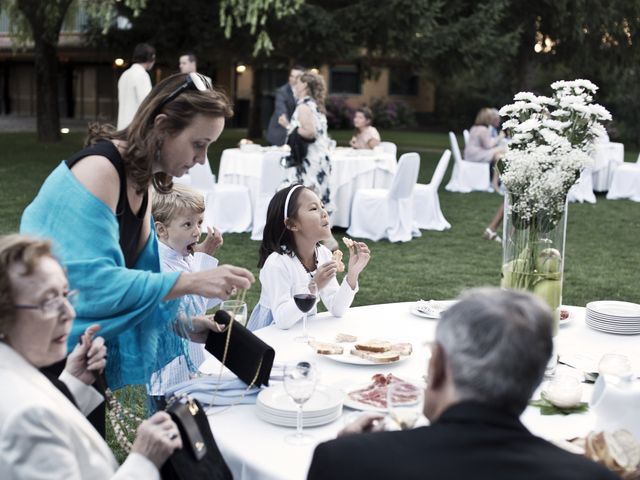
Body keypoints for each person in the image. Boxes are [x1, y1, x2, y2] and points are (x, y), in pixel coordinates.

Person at [21, 72, 255, 392]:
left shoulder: (138, 183)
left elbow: (139, 277)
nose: (201, 160)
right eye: (198, 145)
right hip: (43, 352)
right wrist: (193, 280)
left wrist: (182, 325)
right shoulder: (100, 171)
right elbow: (92, 284)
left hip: (85, 352)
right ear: (161, 128)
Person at [307, 288, 619, 480]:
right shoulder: (590, 477)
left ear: (439, 365)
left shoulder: (345, 462)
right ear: (535, 379)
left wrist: (350, 445)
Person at [0, 235, 182, 479]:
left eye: (65, 294)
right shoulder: (25, 417)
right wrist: (143, 460)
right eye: (49, 301)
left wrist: (72, 384)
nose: (69, 312)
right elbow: (32, 413)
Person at [247, 184, 370, 330]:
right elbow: (282, 320)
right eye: (313, 208)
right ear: (292, 224)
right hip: (271, 336)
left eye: (322, 206)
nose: (324, 213)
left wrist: (352, 274)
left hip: (303, 332)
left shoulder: (323, 254)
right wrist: (314, 287)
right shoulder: (277, 264)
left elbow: (337, 309)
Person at [149, 183, 224, 396]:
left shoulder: (181, 254)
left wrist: (219, 289)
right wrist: (205, 256)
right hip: (170, 370)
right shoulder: (160, 266)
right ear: (161, 229)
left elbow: (200, 303)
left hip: (192, 357)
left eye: (200, 222)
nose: (197, 232)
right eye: (188, 225)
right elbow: (192, 310)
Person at [278, 71, 334, 214]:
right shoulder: (315, 105)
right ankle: (314, 232)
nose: (295, 86)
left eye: (297, 83)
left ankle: (307, 231)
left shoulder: (304, 106)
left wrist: (291, 128)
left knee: (305, 198)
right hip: (320, 156)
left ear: (305, 86)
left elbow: (310, 132)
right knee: (313, 200)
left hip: (309, 159)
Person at [464, 107, 506, 191]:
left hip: (470, 155)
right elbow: (488, 145)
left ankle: (494, 182)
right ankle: (497, 182)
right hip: (476, 155)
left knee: (499, 157)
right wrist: (499, 137)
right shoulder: (483, 129)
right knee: (504, 149)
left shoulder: (475, 127)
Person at [117, 43, 156, 130]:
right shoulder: (142, 75)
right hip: (135, 129)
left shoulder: (125, 74)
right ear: (151, 58)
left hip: (121, 127)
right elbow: (147, 104)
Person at [265, 66, 304, 146]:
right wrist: (290, 128)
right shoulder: (282, 92)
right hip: (279, 134)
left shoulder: (304, 91)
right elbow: (281, 114)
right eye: (291, 76)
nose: (293, 79)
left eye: (297, 77)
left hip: (297, 134)